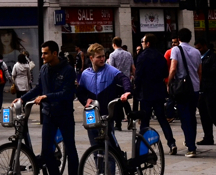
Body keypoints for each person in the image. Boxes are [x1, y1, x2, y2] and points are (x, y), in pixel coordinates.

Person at [17, 41, 78, 175]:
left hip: (64, 115)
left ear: (54, 53)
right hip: (48, 114)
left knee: (70, 149)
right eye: (42, 53)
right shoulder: (44, 68)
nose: (42, 56)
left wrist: (46, 97)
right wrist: (23, 98)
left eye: (45, 53)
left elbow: (67, 94)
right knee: (46, 151)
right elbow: (39, 88)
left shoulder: (68, 70)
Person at [75, 43, 131, 148]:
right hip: (92, 113)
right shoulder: (86, 74)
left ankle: (115, 157)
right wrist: (85, 101)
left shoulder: (110, 70)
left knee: (110, 146)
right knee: (94, 146)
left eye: (103, 56)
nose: (102, 59)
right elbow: (79, 92)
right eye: (99, 57)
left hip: (106, 113)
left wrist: (127, 91)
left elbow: (123, 79)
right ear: (91, 58)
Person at [133, 35, 176, 155]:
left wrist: (136, 90)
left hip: (146, 92)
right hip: (158, 91)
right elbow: (165, 73)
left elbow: (138, 76)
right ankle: (171, 143)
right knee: (162, 119)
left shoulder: (142, 56)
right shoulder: (160, 56)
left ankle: (143, 147)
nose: (142, 44)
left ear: (148, 43)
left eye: (143, 42)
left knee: (145, 121)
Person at [167, 27, 202, 158]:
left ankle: (191, 147)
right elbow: (200, 71)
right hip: (194, 88)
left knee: (184, 117)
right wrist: (197, 84)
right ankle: (191, 141)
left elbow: (173, 68)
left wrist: (169, 83)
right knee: (191, 116)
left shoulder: (176, 50)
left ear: (179, 38)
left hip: (182, 88)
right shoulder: (196, 52)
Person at [197, 40, 216, 146]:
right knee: (203, 114)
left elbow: (214, 71)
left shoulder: (213, 57)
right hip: (201, 89)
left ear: (205, 46)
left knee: (213, 113)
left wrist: (201, 70)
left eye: (200, 48)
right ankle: (208, 137)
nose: (198, 50)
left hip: (211, 89)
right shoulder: (198, 57)